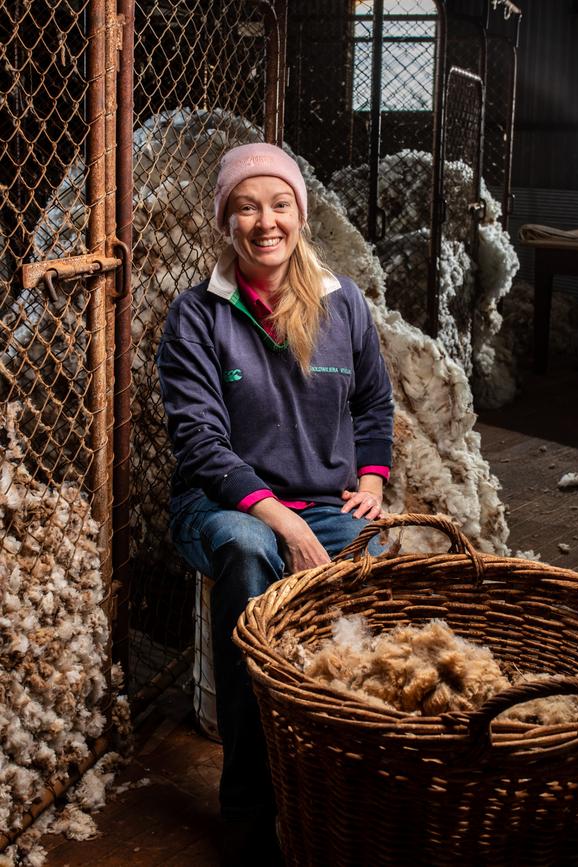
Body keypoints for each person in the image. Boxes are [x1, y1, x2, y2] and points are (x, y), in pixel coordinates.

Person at [156, 142, 393, 865]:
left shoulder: (341, 301)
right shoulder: (197, 316)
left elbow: (373, 404)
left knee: (375, 559)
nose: (266, 222)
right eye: (247, 207)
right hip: (222, 505)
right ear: (225, 220)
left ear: (301, 213)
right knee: (250, 551)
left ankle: (341, 785)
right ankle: (249, 804)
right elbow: (200, 443)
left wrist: (375, 480)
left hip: (324, 498)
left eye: (280, 204)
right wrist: (278, 515)